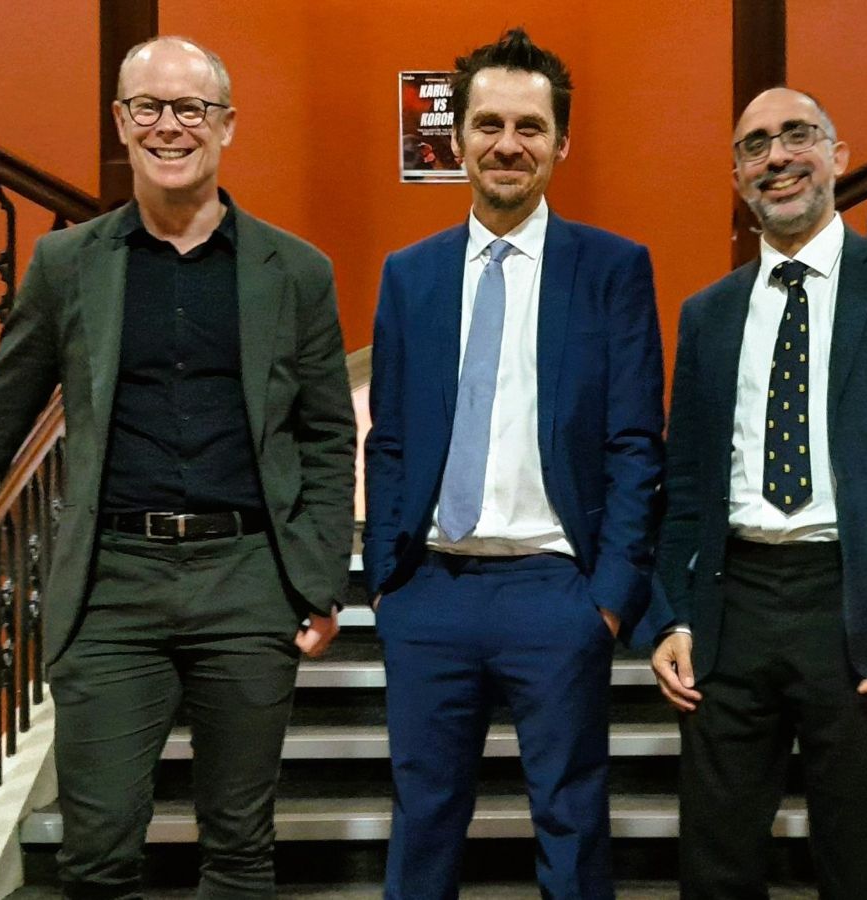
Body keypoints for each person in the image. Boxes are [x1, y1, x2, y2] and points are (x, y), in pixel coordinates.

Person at [0, 36, 357, 899]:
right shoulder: (67, 265)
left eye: (190, 108)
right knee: (97, 854)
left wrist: (318, 576)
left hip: (246, 577)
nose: (169, 126)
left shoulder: (296, 271)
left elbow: (328, 435)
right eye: (147, 107)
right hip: (113, 582)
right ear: (121, 122)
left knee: (239, 847)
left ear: (226, 125)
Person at [650, 86, 867, 900]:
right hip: (733, 609)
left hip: (859, 610)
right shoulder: (708, 314)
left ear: (839, 155)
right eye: (755, 146)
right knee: (715, 868)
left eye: (797, 136)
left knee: (859, 866)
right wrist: (674, 613)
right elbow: (686, 480)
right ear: (737, 176)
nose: (778, 156)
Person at [362, 28, 665, 900]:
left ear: (560, 144)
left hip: (557, 594)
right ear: (456, 139)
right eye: (488, 123)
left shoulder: (612, 269)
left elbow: (635, 440)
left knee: (572, 823)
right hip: (429, 595)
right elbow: (389, 438)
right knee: (423, 821)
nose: (507, 144)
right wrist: (388, 578)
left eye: (529, 127)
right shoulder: (409, 276)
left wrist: (608, 599)